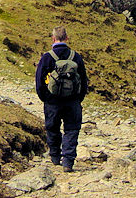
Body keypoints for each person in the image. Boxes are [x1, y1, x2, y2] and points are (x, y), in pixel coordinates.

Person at [35, 26, 88, 172]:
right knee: (71, 129)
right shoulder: (75, 56)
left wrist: (46, 98)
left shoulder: (47, 57)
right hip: (72, 102)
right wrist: (78, 99)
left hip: (52, 102)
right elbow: (83, 80)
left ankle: (55, 157)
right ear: (67, 38)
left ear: (53, 39)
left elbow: (39, 81)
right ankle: (68, 162)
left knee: (52, 128)